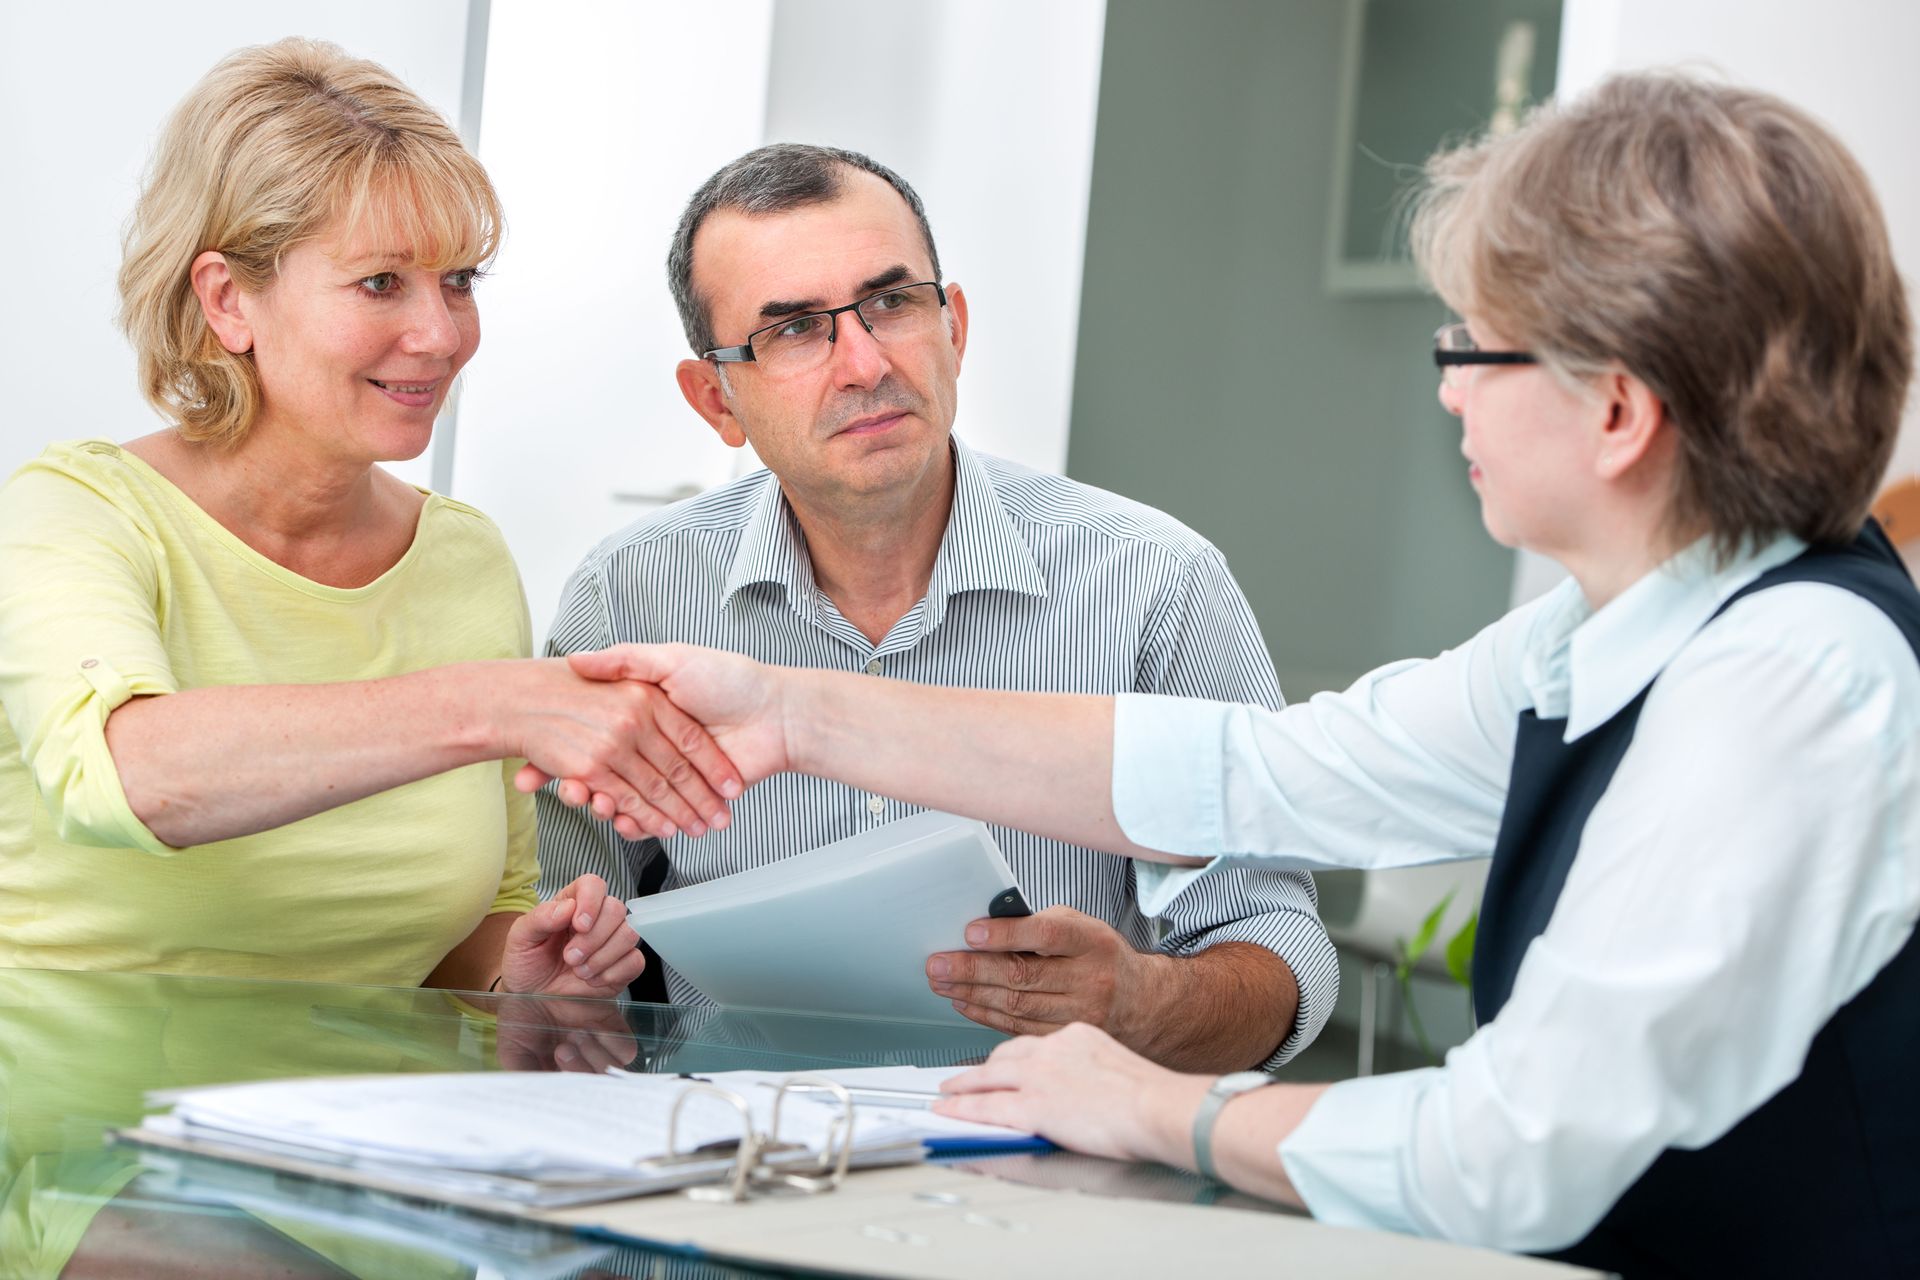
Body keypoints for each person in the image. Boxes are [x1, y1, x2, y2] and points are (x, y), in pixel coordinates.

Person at [555, 74, 1920, 1274]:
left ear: (1619, 411)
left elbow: (1509, 1148)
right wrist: (792, 711)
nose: (1445, 387)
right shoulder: (1616, 626)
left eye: (1474, 344)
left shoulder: (1789, 683)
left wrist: (1149, 1099)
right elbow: (1255, 771)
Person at [534, 144, 1338, 1072]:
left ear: (952, 325)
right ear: (716, 397)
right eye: (794, 330)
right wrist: (568, 988)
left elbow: (1281, 959)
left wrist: (1139, 1003)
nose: (865, 363)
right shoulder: (626, 598)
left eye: (892, 302)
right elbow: (565, 950)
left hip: (1049, 1166)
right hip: (735, 1157)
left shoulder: (1157, 586)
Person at [0, 38, 739, 997]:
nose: (440, 335)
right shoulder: (75, 514)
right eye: (382, 282)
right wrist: (495, 701)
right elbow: (129, 772)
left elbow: (483, 913)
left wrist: (524, 970)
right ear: (229, 300)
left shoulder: (462, 556)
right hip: (82, 1134)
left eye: (461, 281)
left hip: (366, 1135)